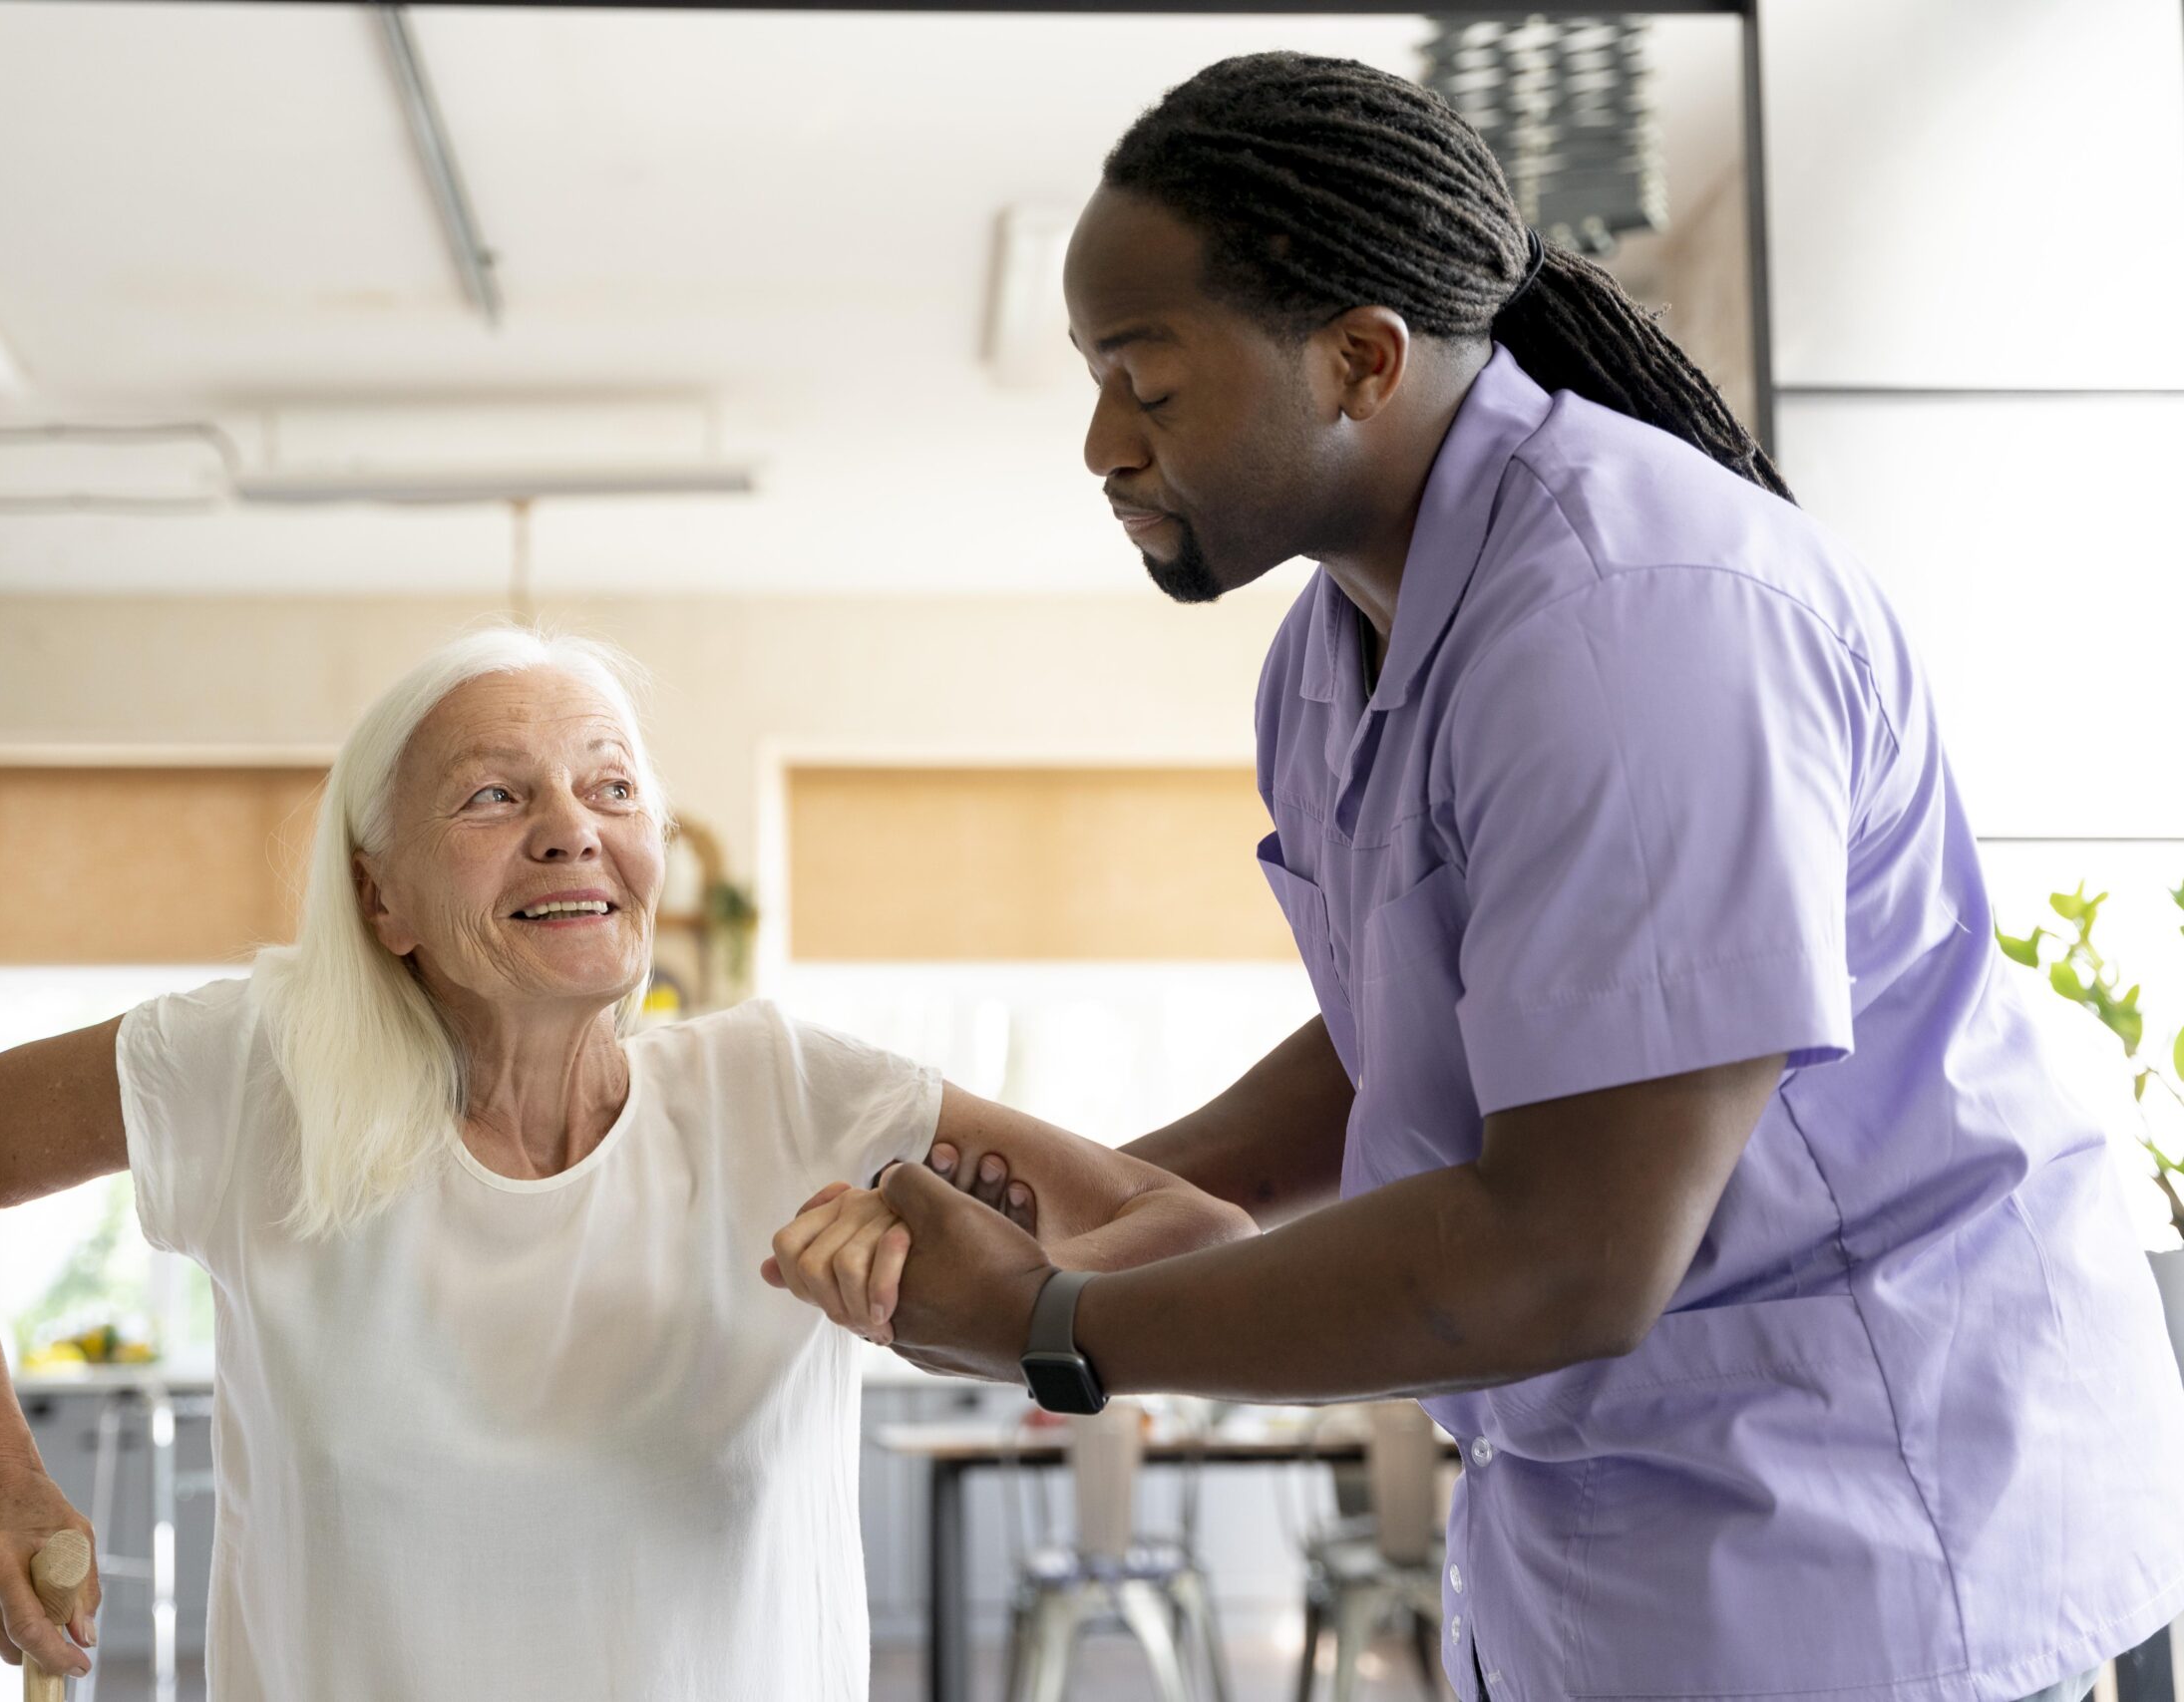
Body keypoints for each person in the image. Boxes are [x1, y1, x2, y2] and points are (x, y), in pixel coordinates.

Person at [862, 52, 2184, 1702]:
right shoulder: (1329, 656)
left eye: (1148, 380)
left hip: (1872, 1542)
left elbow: (1571, 1249)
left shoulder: (1637, 619)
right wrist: (1132, 1189)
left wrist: (1058, 1328)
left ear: (1357, 360)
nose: (1099, 444)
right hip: (1611, 1537)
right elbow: (1430, 1021)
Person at [0, 625, 1253, 1702]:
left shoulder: (791, 1095)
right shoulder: (258, 1073)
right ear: (379, 896)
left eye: (611, 787)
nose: (572, 824)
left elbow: (1190, 1230)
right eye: (494, 795)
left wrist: (1004, 1308)